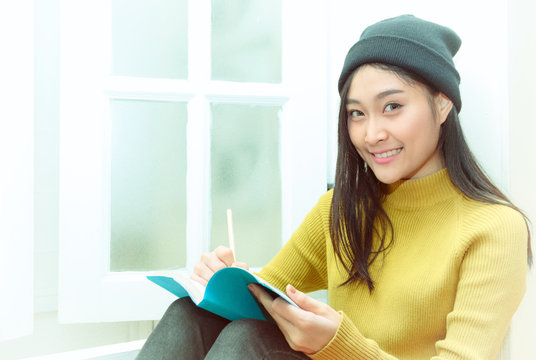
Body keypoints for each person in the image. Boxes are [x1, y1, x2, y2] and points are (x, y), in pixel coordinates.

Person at [136, 15, 532, 359]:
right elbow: (267, 296)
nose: (372, 133)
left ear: (443, 104)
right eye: (356, 113)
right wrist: (226, 281)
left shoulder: (493, 229)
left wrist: (340, 344)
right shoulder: (340, 210)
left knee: (244, 343)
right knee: (192, 314)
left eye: (392, 106)